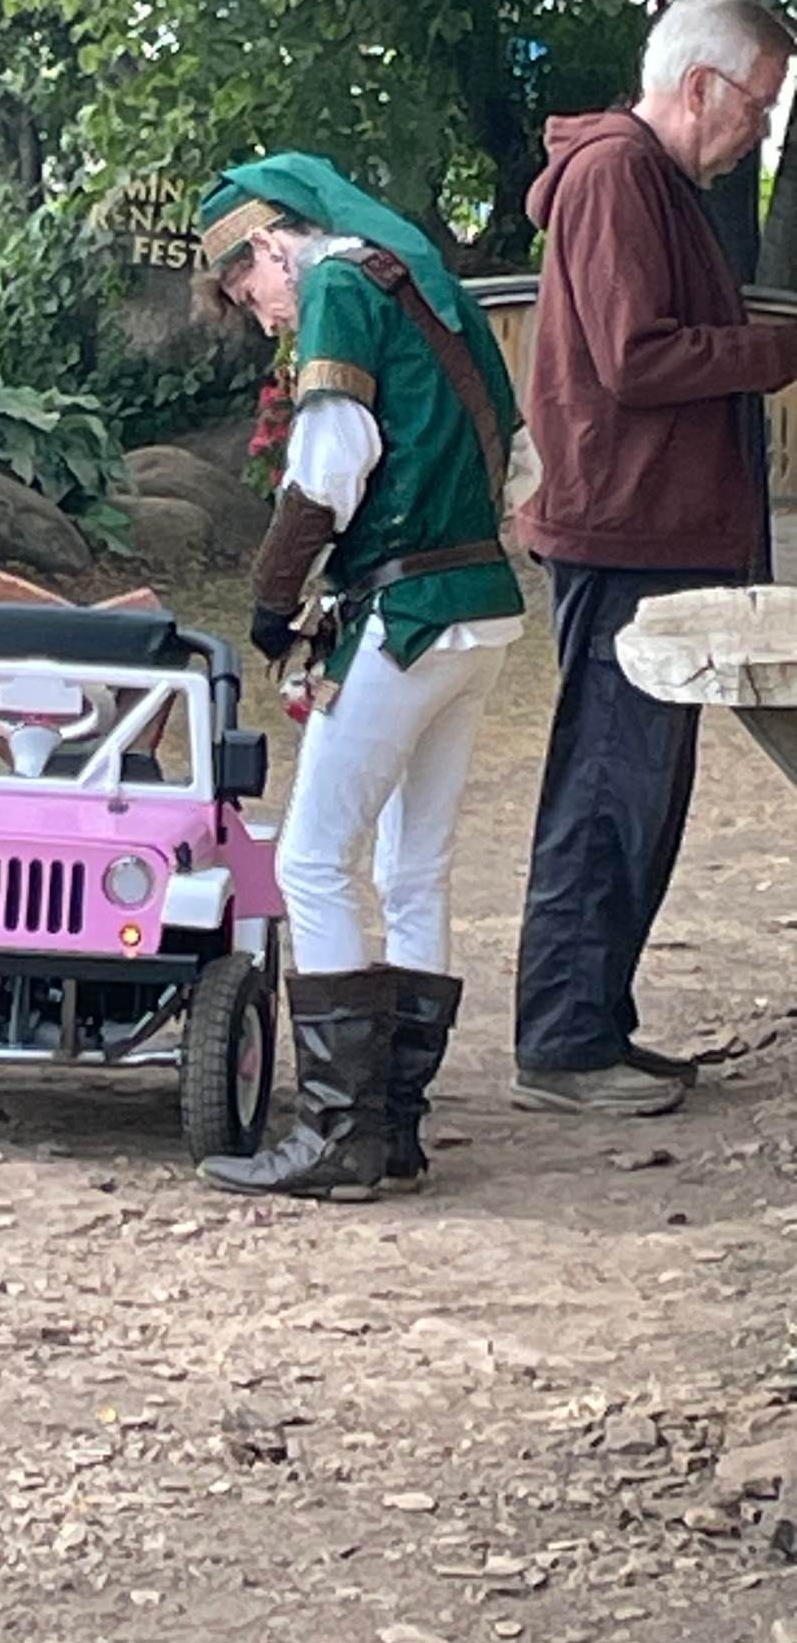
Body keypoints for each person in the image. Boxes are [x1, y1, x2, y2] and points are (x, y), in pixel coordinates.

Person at [193, 152, 533, 1201]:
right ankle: (397, 1131)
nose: (262, 318)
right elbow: (523, 465)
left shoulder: (339, 282)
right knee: (413, 866)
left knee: (311, 861)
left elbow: (328, 472)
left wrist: (271, 594)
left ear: (266, 245)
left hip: (406, 616)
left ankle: (340, 1131)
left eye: (248, 293)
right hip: (480, 609)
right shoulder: (426, 279)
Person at [512, 0, 797, 1117]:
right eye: (759, 108)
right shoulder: (619, 174)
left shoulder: (650, 180)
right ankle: (565, 1043)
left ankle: (595, 1024)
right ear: (701, 86)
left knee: (639, 793)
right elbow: (637, 358)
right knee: (605, 790)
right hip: (625, 534)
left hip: (654, 530)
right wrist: (774, 352)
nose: (761, 133)